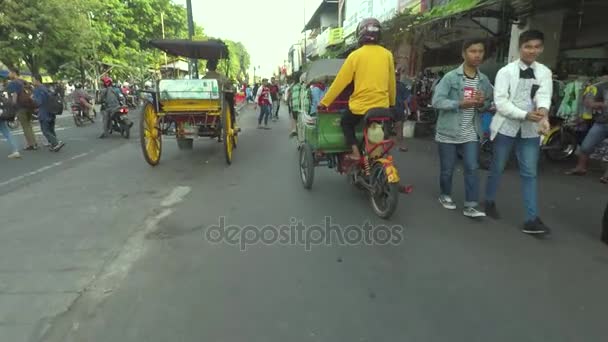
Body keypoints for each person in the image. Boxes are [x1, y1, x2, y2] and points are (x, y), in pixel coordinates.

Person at [484, 30, 553, 235]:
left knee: (530, 173)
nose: (532, 51)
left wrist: (543, 113)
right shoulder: (506, 72)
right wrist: (524, 114)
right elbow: (501, 103)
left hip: (531, 129)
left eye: (536, 47)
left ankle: (531, 218)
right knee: (497, 166)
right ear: (520, 48)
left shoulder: (545, 72)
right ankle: (488, 201)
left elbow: (544, 96)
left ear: (541, 48)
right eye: (528, 46)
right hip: (507, 126)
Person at [432, 39, 494, 218]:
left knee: (472, 167)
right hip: (448, 130)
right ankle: (445, 195)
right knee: (447, 169)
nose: (477, 55)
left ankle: (471, 205)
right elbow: (437, 101)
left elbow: (487, 103)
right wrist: (460, 103)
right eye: (473, 51)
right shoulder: (451, 77)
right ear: (464, 54)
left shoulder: (484, 80)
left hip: (471, 131)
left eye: (480, 51)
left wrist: (482, 103)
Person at [319, 17, 396, 161]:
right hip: (382, 106)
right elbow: (391, 83)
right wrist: (391, 103)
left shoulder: (355, 56)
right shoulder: (387, 55)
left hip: (360, 108)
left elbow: (340, 82)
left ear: (360, 34)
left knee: (346, 122)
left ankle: (355, 152)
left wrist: (324, 102)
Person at [565, 69, 608, 182]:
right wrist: (600, 104)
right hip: (601, 122)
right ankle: (580, 168)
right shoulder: (600, 86)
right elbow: (587, 102)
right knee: (586, 146)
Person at [6, 68, 38, 150]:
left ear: (14, 73)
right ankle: (34, 142)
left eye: (9, 72)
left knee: (25, 126)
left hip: (21, 106)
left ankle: (30, 144)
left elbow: (15, 94)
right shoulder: (23, 81)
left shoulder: (13, 83)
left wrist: (12, 105)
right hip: (29, 104)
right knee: (29, 125)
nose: (8, 74)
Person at [32, 74, 65, 152]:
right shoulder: (46, 88)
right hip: (51, 111)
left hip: (43, 112)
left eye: (33, 80)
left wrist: (32, 100)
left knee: (45, 130)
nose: (32, 82)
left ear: (37, 80)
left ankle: (56, 143)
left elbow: (38, 102)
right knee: (51, 129)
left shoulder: (37, 90)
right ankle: (54, 144)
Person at [203, 59, 237, 131]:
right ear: (216, 66)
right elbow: (230, 86)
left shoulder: (203, 79)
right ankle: (232, 119)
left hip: (204, 103)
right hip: (218, 102)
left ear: (207, 67)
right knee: (229, 97)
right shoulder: (221, 77)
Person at [394, 68, 409, 152]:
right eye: (396, 75)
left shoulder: (387, 85)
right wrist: (407, 110)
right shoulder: (402, 86)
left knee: (386, 129)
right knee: (399, 128)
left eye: (398, 75)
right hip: (398, 109)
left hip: (389, 109)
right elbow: (405, 100)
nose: (398, 77)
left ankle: (385, 146)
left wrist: (406, 110)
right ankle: (400, 145)